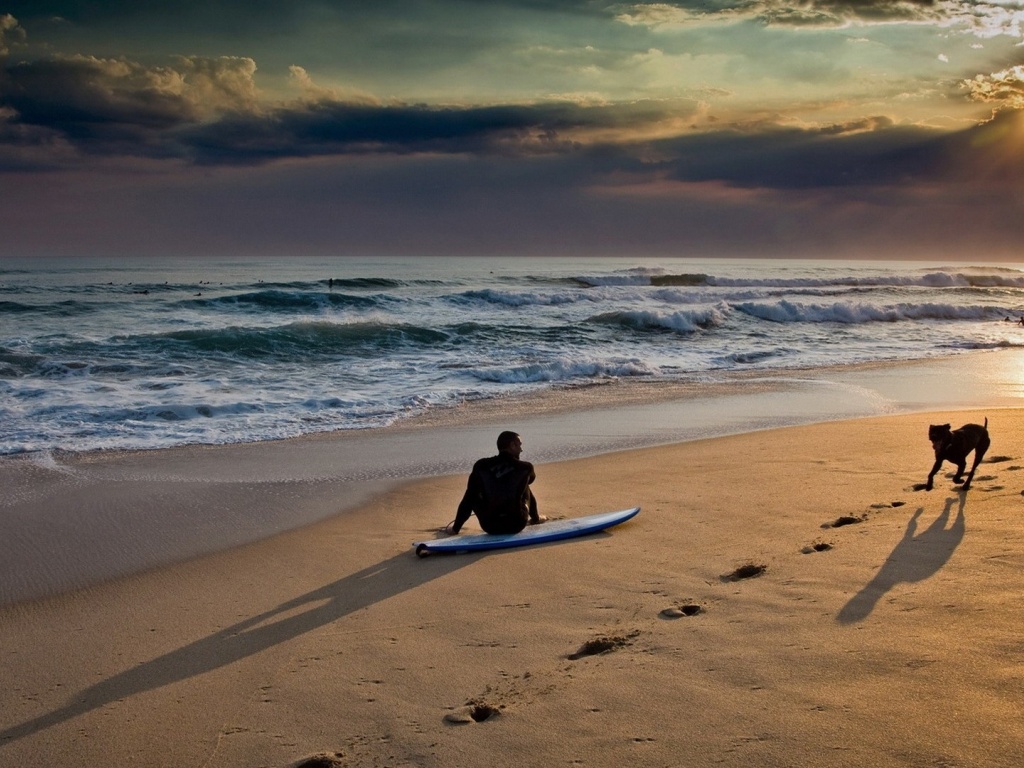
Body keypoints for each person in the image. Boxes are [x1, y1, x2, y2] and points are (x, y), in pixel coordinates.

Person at [447, 431, 546, 535]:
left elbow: (468, 500)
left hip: (490, 525)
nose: (521, 449)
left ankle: (455, 530)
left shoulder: (481, 466)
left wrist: (456, 528)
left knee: (472, 491)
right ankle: (535, 519)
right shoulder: (525, 467)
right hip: (516, 523)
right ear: (512, 445)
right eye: (519, 445)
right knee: (524, 483)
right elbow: (531, 480)